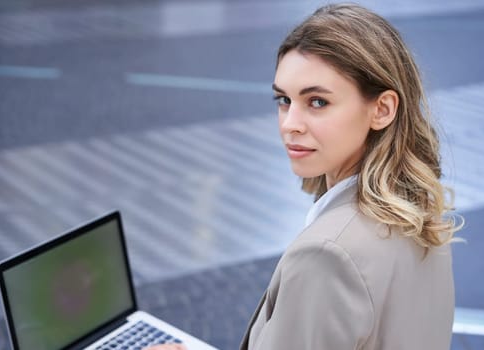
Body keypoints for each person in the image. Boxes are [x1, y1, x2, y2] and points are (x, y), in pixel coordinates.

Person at [148, 3, 462, 349]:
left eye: (317, 102)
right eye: (284, 99)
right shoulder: (419, 217)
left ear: (382, 109)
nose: (289, 124)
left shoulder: (327, 255)